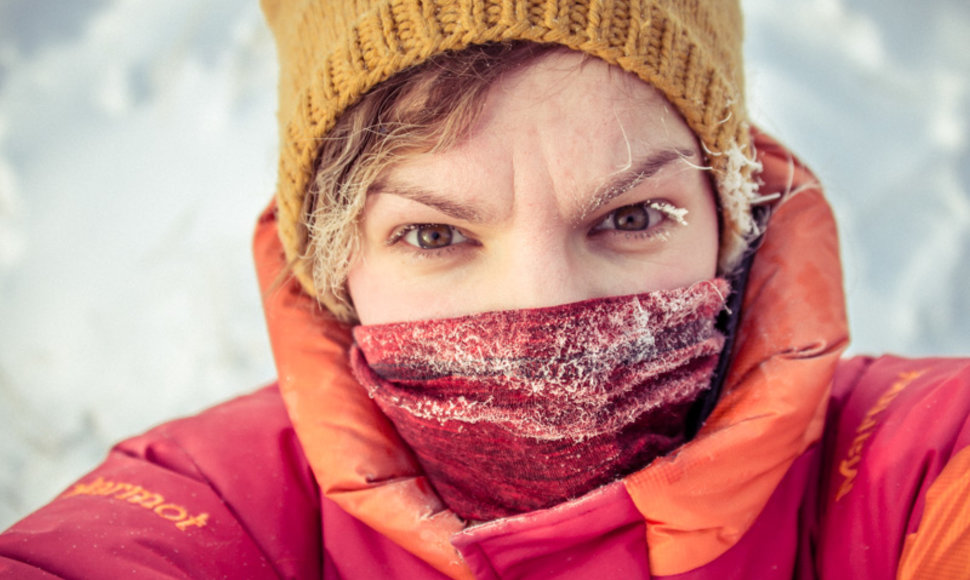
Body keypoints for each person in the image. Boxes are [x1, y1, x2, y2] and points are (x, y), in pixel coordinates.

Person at [1, 0, 968, 578]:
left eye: (632, 218)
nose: (543, 305)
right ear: (336, 270)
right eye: (434, 233)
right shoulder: (217, 508)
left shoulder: (905, 468)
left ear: (730, 218)